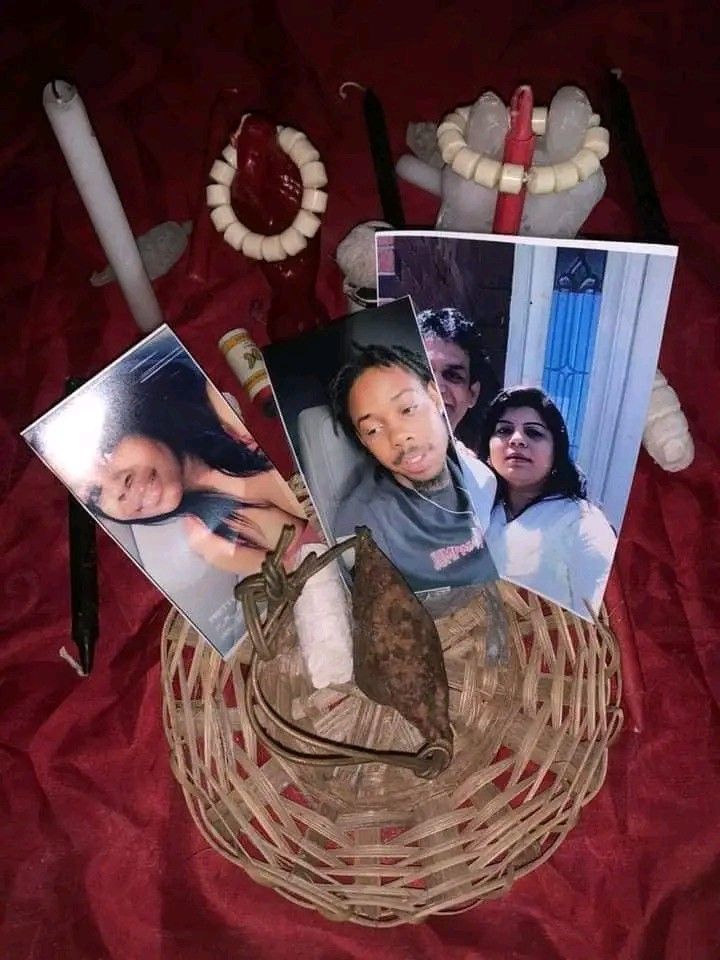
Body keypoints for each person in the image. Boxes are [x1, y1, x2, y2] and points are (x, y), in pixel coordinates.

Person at [75, 346, 319, 577]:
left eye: (107, 447)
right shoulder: (207, 539)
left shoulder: (225, 407)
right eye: (95, 493)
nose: (118, 488)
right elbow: (311, 579)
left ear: (134, 418)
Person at [328, 343, 497, 592]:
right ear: (363, 440)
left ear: (435, 397)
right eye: (373, 430)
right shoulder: (364, 530)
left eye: (407, 409)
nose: (398, 436)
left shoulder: (482, 480)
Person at [478, 386, 617, 617]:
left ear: (556, 451)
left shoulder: (584, 524)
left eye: (533, 432)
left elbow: (598, 619)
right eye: (504, 430)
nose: (517, 440)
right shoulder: (478, 507)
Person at [417, 307, 500, 456]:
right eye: (424, 372)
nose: (438, 388)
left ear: (473, 394)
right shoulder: (373, 460)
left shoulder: (473, 470)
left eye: (452, 375)